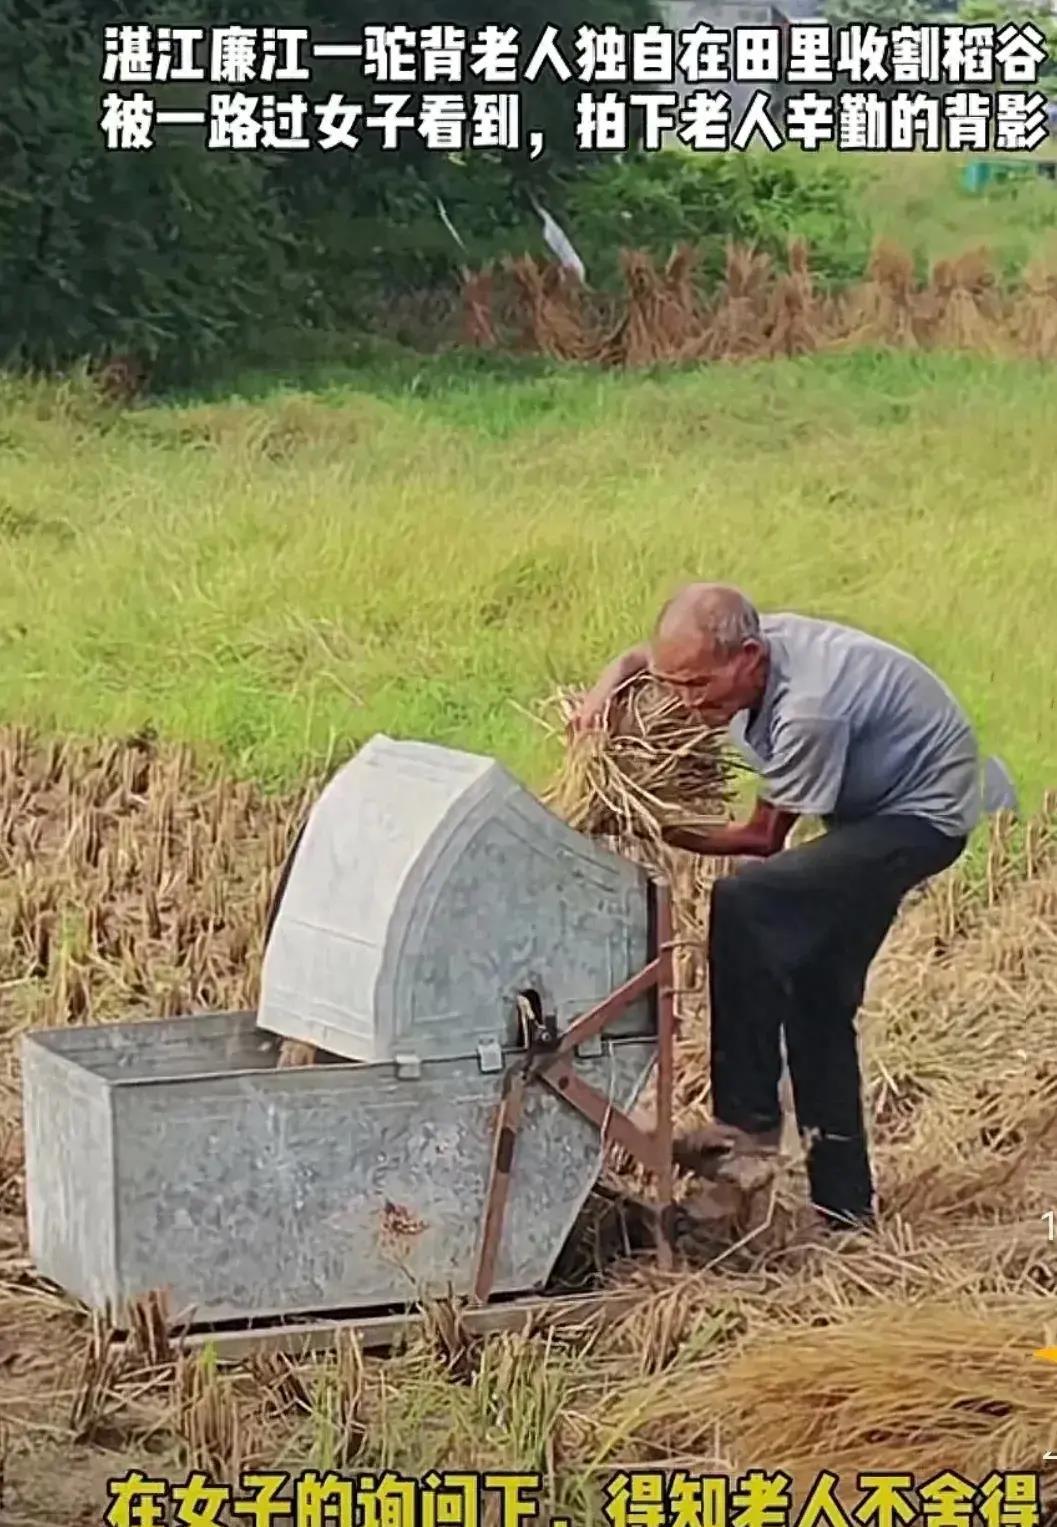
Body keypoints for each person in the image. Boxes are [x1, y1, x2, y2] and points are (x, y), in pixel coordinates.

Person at [572, 584, 983, 1232]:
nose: (684, 701)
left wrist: (650, 821)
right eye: (675, 682)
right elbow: (635, 663)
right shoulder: (725, 650)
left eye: (698, 686)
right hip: (863, 815)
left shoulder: (808, 710)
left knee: (745, 897)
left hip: (917, 820)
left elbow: (762, 839)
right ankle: (845, 1212)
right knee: (818, 1000)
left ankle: (745, 1130)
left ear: (751, 658)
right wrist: (600, 696)